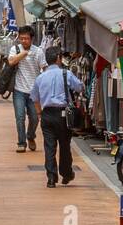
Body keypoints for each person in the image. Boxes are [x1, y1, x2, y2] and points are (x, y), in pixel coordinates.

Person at [31, 45, 83, 187]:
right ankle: (66, 174)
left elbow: (34, 97)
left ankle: (51, 178)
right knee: (65, 145)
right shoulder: (66, 74)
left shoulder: (40, 78)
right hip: (63, 115)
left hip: (47, 114)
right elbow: (79, 87)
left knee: (49, 147)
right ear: (58, 59)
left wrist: (40, 113)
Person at [7, 25, 47, 153]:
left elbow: (44, 68)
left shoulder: (39, 51)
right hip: (19, 89)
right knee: (20, 117)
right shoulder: (15, 49)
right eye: (21, 38)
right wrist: (23, 54)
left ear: (32, 39)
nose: (24, 41)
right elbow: (11, 62)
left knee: (35, 118)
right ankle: (21, 142)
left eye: (26, 39)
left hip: (34, 92)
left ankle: (30, 136)